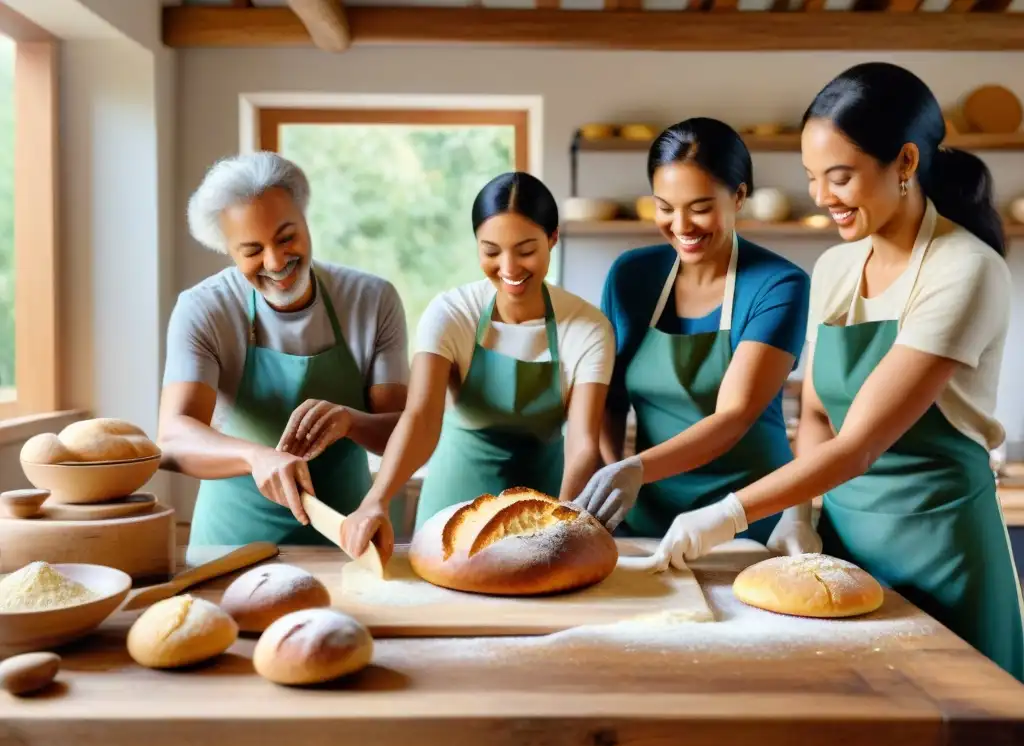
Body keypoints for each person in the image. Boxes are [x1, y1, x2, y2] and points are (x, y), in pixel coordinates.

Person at [644, 63, 1023, 683]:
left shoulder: (967, 270)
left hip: (943, 550)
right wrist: (802, 516)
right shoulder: (836, 270)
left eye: (840, 176)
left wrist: (728, 512)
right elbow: (819, 412)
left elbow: (861, 441)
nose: (822, 197)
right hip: (842, 558)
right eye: (812, 178)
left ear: (905, 162)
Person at [340, 171, 615, 560]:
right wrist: (377, 499)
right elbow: (420, 416)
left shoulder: (587, 327)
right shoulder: (451, 314)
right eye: (491, 250)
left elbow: (583, 443)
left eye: (525, 249)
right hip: (452, 505)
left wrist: (563, 520)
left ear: (553, 238)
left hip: (543, 505)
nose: (509, 266)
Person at [574, 117, 812, 551]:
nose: (681, 224)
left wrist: (636, 469)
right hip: (643, 517)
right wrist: (616, 472)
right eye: (664, 207)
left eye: (700, 207)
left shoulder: (780, 284)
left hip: (747, 518)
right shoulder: (631, 275)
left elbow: (734, 416)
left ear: (739, 196)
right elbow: (608, 399)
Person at [159, 151, 409, 555]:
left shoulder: (372, 300)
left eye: (286, 237)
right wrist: (254, 457)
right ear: (227, 249)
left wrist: (350, 421)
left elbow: (401, 430)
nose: (275, 262)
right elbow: (173, 437)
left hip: (346, 539)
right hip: (230, 546)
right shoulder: (204, 308)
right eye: (251, 250)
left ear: (306, 220)